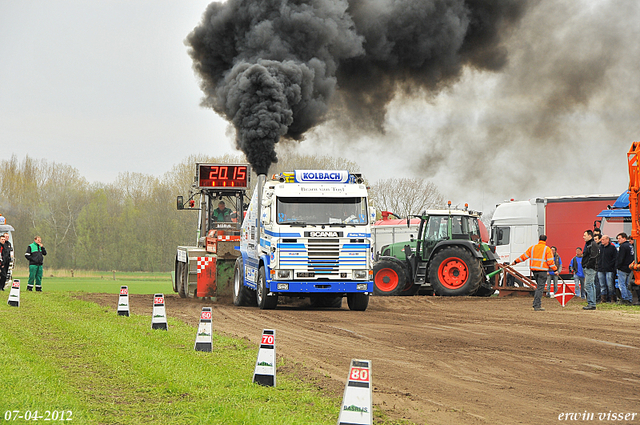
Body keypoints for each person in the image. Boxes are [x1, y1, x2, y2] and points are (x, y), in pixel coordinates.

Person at [510, 234, 558, 311]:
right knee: (540, 288)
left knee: (538, 287)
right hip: (542, 271)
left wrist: (515, 262)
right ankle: (537, 305)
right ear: (546, 240)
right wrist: (555, 270)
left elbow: (524, 256)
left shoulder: (532, 248)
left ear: (539, 239)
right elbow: (550, 262)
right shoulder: (547, 249)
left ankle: (536, 303)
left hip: (534, 271)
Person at [582, 230, 599, 310]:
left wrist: (587, 265)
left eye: (585, 235)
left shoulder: (592, 245)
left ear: (589, 236)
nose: (583, 237)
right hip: (589, 268)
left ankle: (591, 303)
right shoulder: (590, 244)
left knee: (588, 285)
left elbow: (593, 257)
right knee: (591, 285)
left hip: (590, 268)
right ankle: (592, 303)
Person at [597, 235, 617, 303]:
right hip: (600, 269)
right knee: (602, 285)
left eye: (603, 239)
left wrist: (611, 266)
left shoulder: (612, 248)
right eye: (601, 239)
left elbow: (615, 258)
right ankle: (603, 299)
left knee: (610, 285)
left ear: (607, 240)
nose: (601, 241)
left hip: (609, 269)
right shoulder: (600, 248)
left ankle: (612, 298)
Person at [615, 233, 634, 306]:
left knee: (622, 284)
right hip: (630, 268)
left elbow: (621, 258)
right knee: (628, 284)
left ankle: (625, 299)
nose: (618, 240)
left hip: (622, 269)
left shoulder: (623, 247)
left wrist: (618, 266)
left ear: (624, 238)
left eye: (619, 238)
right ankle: (630, 299)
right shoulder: (630, 246)